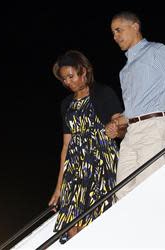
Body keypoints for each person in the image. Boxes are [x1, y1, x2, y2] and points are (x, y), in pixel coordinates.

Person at [106, 11, 165, 200]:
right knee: (121, 193)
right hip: (132, 133)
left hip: (155, 127)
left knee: (150, 188)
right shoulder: (124, 71)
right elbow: (132, 111)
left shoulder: (156, 51)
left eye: (118, 30)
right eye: (113, 33)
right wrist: (118, 122)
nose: (115, 37)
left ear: (135, 26)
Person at [48, 50, 123, 243]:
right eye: (64, 79)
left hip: (100, 164)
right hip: (75, 168)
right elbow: (66, 146)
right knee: (72, 226)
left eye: (71, 76)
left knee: (95, 220)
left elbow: (120, 125)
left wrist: (116, 128)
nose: (68, 82)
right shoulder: (66, 104)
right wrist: (58, 188)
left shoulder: (103, 92)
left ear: (83, 71)